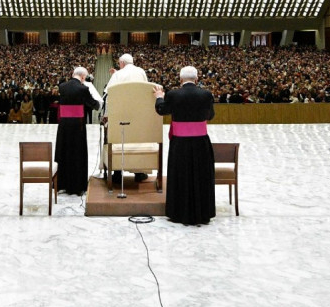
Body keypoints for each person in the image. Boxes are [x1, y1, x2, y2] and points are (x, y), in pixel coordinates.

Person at [153, 66, 216, 226]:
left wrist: (159, 97)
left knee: (180, 175)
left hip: (180, 143)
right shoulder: (206, 94)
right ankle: (203, 212)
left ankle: (178, 212)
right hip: (201, 142)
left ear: (180, 80)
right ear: (197, 79)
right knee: (200, 175)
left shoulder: (173, 94)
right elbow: (210, 115)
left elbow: (162, 110)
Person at [102, 53, 149, 183]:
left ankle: (117, 173)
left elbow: (109, 95)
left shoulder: (118, 74)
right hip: (138, 114)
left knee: (119, 142)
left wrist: (106, 115)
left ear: (122, 63)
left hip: (121, 114)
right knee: (136, 142)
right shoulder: (141, 72)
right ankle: (139, 173)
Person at [55, 67, 102, 196]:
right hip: (77, 125)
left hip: (64, 124)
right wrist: (99, 104)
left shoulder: (62, 86)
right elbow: (93, 104)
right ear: (83, 77)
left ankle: (62, 184)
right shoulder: (83, 88)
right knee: (77, 152)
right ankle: (76, 186)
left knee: (64, 151)